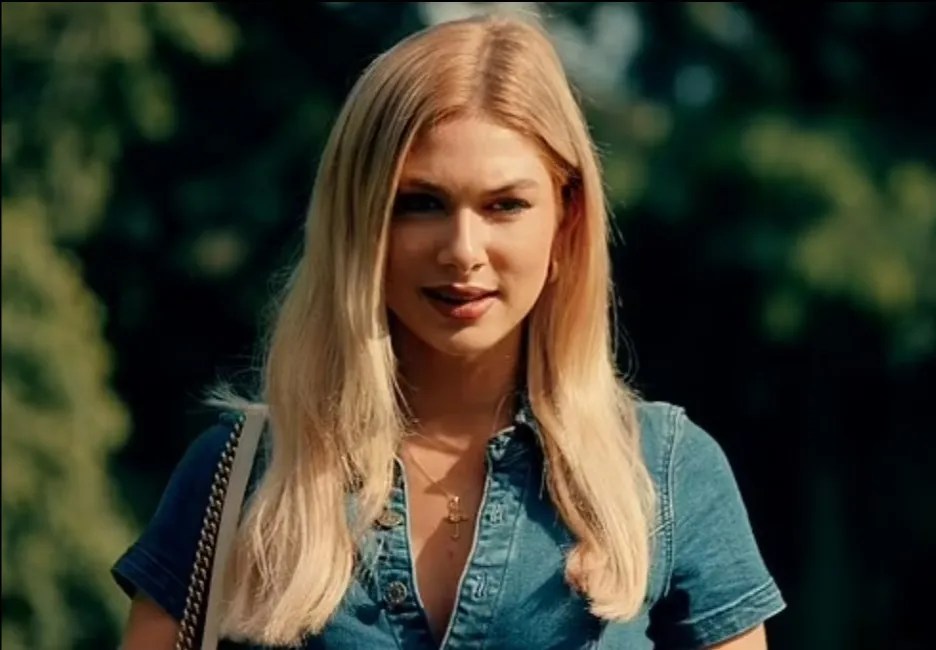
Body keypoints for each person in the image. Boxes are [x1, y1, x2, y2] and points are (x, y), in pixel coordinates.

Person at [113, 12, 786, 650]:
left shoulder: (666, 474)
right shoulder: (244, 475)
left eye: (505, 205)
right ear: (360, 222)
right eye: (420, 204)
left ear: (567, 218)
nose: (463, 250)